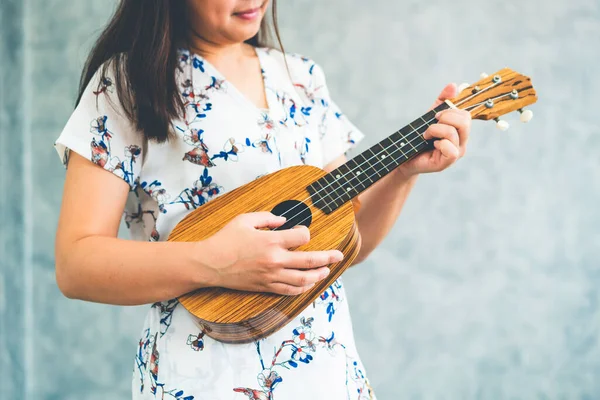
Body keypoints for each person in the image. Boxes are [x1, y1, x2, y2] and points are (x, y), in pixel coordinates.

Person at [53, 1, 471, 399]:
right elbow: (76, 265)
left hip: (324, 373)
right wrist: (214, 260)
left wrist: (402, 173)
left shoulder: (302, 78)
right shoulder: (127, 83)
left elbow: (342, 240)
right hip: (202, 379)